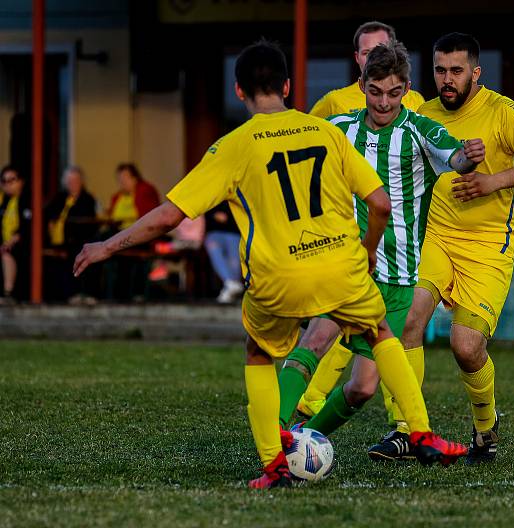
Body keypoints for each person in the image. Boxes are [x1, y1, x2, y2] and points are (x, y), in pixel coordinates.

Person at [73, 39, 466, 490]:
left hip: (278, 275)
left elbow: (170, 216)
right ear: (287, 85)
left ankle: (274, 465)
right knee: (379, 333)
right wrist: (369, 249)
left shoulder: (233, 146)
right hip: (342, 265)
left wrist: (107, 245)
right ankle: (420, 431)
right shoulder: (326, 132)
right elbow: (379, 203)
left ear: (239, 91)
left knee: (259, 353)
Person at [277, 41, 484, 445]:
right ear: (362, 85)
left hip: (399, 274)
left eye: (393, 93)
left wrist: (469, 158)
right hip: (349, 265)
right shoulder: (339, 130)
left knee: (363, 388)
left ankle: (303, 440)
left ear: (406, 89)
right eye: (375, 92)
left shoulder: (420, 130)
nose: (384, 102)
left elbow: (455, 158)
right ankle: (273, 437)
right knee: (317, 340)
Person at [369, 33, 514, 464]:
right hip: (433, 238)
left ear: (475, 72)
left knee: (466, 346)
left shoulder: (503, 112)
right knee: (407, 322)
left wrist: (493, 180)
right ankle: (406, 431)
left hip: (487, 247)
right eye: (440, 70)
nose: (447, 79)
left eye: (456, 71)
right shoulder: (421, 113)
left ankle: (485, 430)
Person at [302, 19, 426, 425]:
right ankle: (296, 416)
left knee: (376, 362)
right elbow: (303, 150)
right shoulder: (335, 107)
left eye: (384, 49)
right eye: (369, 51)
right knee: (327, 336)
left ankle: (403, 426)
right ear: (358, 62)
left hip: (397, 250)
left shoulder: (417, 110)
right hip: (348, 250)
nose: (383, 100)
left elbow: (437, 152)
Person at [309, 20, 425, 118]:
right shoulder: (333, 101)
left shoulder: (415, 100)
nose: (373, 58)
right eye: (366, 52)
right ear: (357, 57)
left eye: (380, 50)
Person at [104, 163, 160, 300]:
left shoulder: (145, 191)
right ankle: (108, 294)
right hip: (119, 232)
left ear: (135, 178)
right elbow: (111, 216)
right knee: (100, 241)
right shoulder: (118, 196)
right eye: (119, 179)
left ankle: (130, 293)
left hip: (140, 235)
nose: (122, 182)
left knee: (111, 245)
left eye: (125, 178)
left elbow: (149, 217)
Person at [44, 166, 98, 303]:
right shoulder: (61, 197)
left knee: (76, 253)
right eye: (69, 181)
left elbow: (88, 222)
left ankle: (78, 293)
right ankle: (57, 295)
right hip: (58, 240)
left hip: (79, 239)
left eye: (75, 181)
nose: (72, 184)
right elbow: (47, 213)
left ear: (81, 182)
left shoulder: (87, 198)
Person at [0, 166, 30, 303]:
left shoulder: (26, 199)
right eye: (4, 181)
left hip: (23, 244)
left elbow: (28, 226)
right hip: (5, 242)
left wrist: (12, 240)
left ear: (21, 181)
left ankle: (8, 293)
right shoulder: (4, 202)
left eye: (12, 180)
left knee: (7, 253)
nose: (8, 184)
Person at [204, 203, 243, 303]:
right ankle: (230, 283)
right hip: (214, 232)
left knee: (234, 261)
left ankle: (231, 289)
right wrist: (214, 215)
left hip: (234, 232)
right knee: (216, 253)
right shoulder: (211, 194)